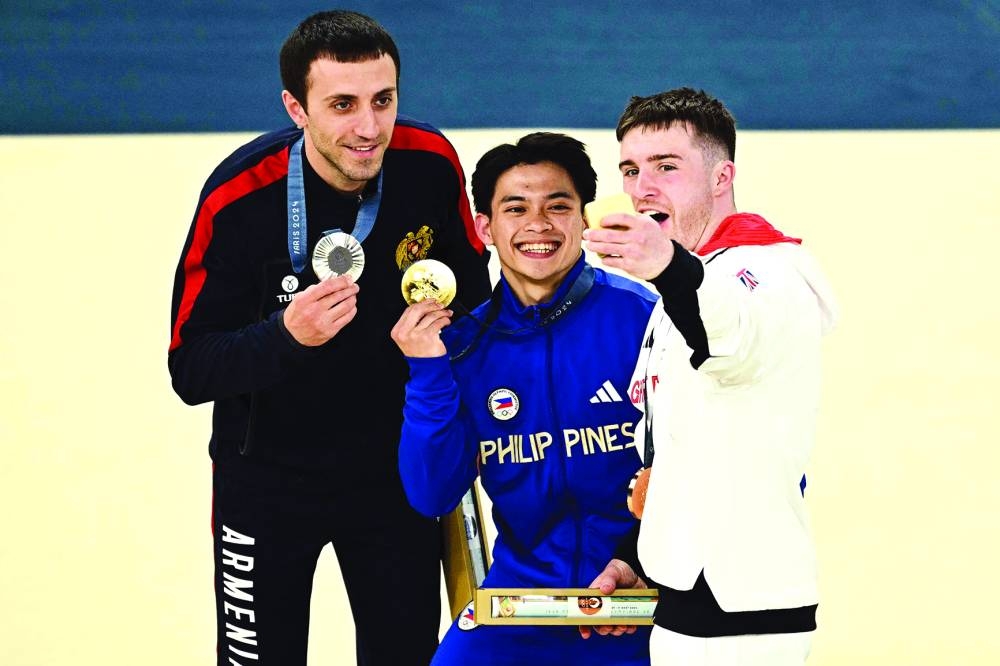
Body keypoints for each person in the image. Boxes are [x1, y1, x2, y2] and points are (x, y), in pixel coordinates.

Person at [167, 10, 491, 666]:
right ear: (297, 107)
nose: (369, 128)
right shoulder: (238, 199)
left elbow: (477, 303)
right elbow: (190, 370)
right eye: (342, 105)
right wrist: (285, 336)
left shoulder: (430, 164)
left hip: (394, 477)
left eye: (383, 100)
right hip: (264, 483)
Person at [584, 87, 838, 665]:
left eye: (667, 167)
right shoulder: (697, 275)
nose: (643, 186)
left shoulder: (765, 270)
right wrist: (638, 556)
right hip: (690, 598)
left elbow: (728, 338)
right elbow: (689, 443)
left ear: (722, 177)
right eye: (630, 169)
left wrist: (668, 268)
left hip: (741, 609)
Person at [390, 132, 657, 666]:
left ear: (584, 219)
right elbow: (431, 494)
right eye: (516, 209)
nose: (539, 225)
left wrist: (643, 566)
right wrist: (426, 372)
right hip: (523, 605)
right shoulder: (462, 347)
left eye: (559, 206)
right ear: (486, 228)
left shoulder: (645, 318)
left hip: (643, 598)